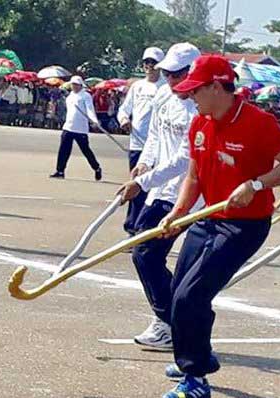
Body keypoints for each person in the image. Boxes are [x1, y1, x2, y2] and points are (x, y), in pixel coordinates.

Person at [156, 55, 280, 398]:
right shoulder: (200, 123)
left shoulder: (257, 122)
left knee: (190, 296)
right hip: (209, 218)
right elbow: (194, 176)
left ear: (216, 86)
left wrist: (256, 185)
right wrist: (178, 214)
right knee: (180, 291)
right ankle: (199, 355)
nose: (191, 97)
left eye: (196, 90)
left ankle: (195, 378)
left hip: (245, 225)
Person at [116, 43, 200, 350]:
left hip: (184, 194)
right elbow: (154, 136)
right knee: (145, 253)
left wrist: (143, 182)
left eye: (178, 74)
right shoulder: (165, 94)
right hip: (158, 188)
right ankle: (171, 317)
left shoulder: (198, 108)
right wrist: (143, 164)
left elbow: (182, 160)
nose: (172, 81)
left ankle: (169, 321)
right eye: (168, 73)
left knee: (146, 254)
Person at [118, 47, 165, 234]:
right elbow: (124, 109)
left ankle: (145, 227)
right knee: (136, 187)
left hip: (157, 148)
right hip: (137, 145)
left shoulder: (165, 88)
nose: (149, 66)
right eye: (147, 63)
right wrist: (123, 120)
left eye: (153, 63)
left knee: (152, 189)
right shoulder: (137, 87)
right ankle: (132, 228)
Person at [50, 76, 102, 180]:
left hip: (80, 128)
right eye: (73, 84)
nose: (74, 86)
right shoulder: (70, 96)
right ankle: (60, 170)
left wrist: (94, 121)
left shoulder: (86, 96)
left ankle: (96, 168)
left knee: (86, 150)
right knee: (63, 150)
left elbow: (90, 110)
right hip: (68, 126)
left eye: (76, 84)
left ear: (80, 85)